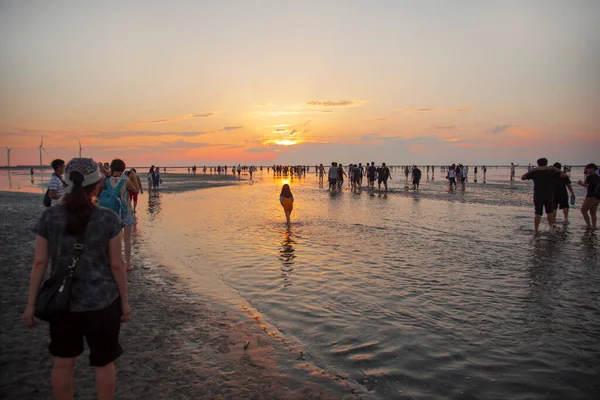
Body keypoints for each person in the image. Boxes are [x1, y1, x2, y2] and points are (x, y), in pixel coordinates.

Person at [23, 158, 130, 400]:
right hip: (102, 302)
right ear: (97, 185)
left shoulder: (50, 217)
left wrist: (31, 304)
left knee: (63, 362)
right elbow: (117, 265)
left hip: (63, 303)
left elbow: (39, 263)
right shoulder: (108, 218)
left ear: (67, 184)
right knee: (103, 363)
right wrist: (124, 301)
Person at [106, 159, 138, 270]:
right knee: (127, 239)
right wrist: (133, 177)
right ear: (122, 169)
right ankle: (127, 264)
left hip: (112, 212)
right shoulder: (125, 181)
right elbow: (136, 190)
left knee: (114, 238)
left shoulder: (107, 181)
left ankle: (114, 261)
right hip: (126, 212)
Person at [521, 158, 564, 234]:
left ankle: (536, 230)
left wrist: (532, 170)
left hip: (538, 195)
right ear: (546, 164)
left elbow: (523, 177)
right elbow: (564, 175)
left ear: (538, 164)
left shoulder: (535, 172)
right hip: (549, 195)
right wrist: (555, 169)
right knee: (550, 212)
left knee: (538, 213)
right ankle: (551, 228)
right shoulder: (550, 172)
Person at [578, 163, 600, 230]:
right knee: (593, 213)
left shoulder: (590, 176)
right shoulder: (598, 177)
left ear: (592, 169)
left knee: (583, 210)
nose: (587, 170)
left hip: (590, 196)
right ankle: (594, 226)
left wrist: (580, 183)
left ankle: (589, 226)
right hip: (597, 197)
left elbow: (587, 185)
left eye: (588, 168)